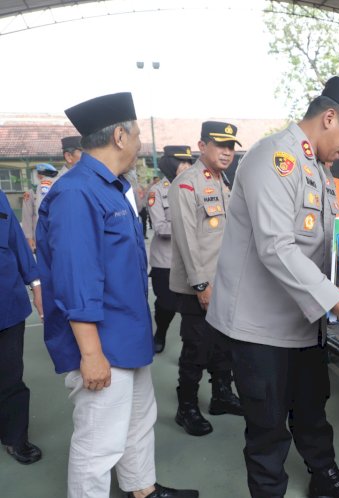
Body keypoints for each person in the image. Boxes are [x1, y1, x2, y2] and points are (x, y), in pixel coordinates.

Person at [207, 76, 339, 498]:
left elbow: (322, 243)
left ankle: (325, 478)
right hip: (260, 327)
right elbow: (276, 248)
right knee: (268, 428)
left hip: (303, 322)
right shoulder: (276, 158)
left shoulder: (318, 170)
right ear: (328, 118)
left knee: (311, 410)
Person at [36, 92, 197, 498]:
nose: (142, 143)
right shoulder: (77, 192)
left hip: (125, 334)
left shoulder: (109, 187)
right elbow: (76, 280)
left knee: (138, 421)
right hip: (101, 343)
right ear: (121, 136)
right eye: (139, 134)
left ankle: (142, 490)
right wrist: (91, 354)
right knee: (98, 444)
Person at [169, 121, 243, 436]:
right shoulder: (187, 183)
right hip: (198, 286)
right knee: (196, 349)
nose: (227, 152)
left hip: (224, 282)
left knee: (223, 345)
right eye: (220, 145)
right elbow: (187, 239)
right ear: (202, 146)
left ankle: (221, 395)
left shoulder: (223, 182)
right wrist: (201, 285)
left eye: (231, 146)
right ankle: (186, 408)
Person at [0, 189, 43, 465]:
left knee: (10, 375)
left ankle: (15, 437)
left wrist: (36, 284)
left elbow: (15, 238)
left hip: (6, 303)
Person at [147, 146, 193, 354]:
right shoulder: (157, 191)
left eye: (189, 162)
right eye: (182, 162)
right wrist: (190, 226)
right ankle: (161, 332)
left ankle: (190, 349)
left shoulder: (195, 188)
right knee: (166, 305)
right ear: (170, 164)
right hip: (166, 261)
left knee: (191, 309)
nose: (187, 167)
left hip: (191, 259)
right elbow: (160, 228)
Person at [21, 163, 59, 252]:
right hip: (39, 236)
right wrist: (29, 238)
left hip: (56, 235)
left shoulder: (58, 190)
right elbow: (27, 217)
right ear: (38, 176)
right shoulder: (30, 193)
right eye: (43, 176)